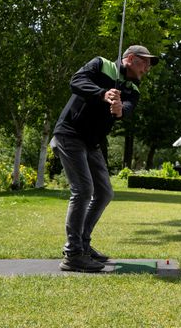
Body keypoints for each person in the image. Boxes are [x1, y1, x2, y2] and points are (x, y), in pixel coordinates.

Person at [50, 44, 159, 272]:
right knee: (83, 190)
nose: (148, 68)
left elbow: (127, 109)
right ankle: (73, 254)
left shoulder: (133, 89)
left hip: (92, 143)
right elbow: (76, 81)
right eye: (144, 62)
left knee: (105, 192)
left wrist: (120, 109)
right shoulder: (101, 64)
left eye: (149, 64)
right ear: (129, 59)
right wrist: (102, 93)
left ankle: (83, 244)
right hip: (70, 133)